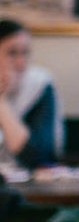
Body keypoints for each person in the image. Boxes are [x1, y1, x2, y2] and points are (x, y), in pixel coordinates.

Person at [0, 18, 64, 170]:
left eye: (26, 53)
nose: (21, 63)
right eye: (12, 53)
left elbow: (39, 157)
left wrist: (1, 103)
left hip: (28, 181)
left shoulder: (40, 85)